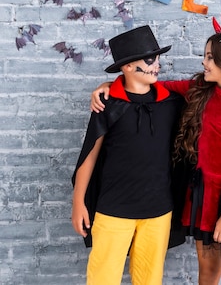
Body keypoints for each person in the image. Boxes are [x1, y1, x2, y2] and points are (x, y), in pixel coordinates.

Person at [88, 15, 221, 284]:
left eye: (210, 57)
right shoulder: (200, 89)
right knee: (208, 273)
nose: (203, 62)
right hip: (206, 195)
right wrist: (109, 85)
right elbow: (149, 86)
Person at [71, 25, 187, 285]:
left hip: (158, 210)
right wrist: (78, 202)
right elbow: (89, 156)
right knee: (103, 278)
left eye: (157, 57)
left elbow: (214, 93)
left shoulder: (171, 103)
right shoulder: (108, 104)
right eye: (149, 59)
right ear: (127, 66)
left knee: (149, 279)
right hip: (113, 209)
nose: (156, 64)